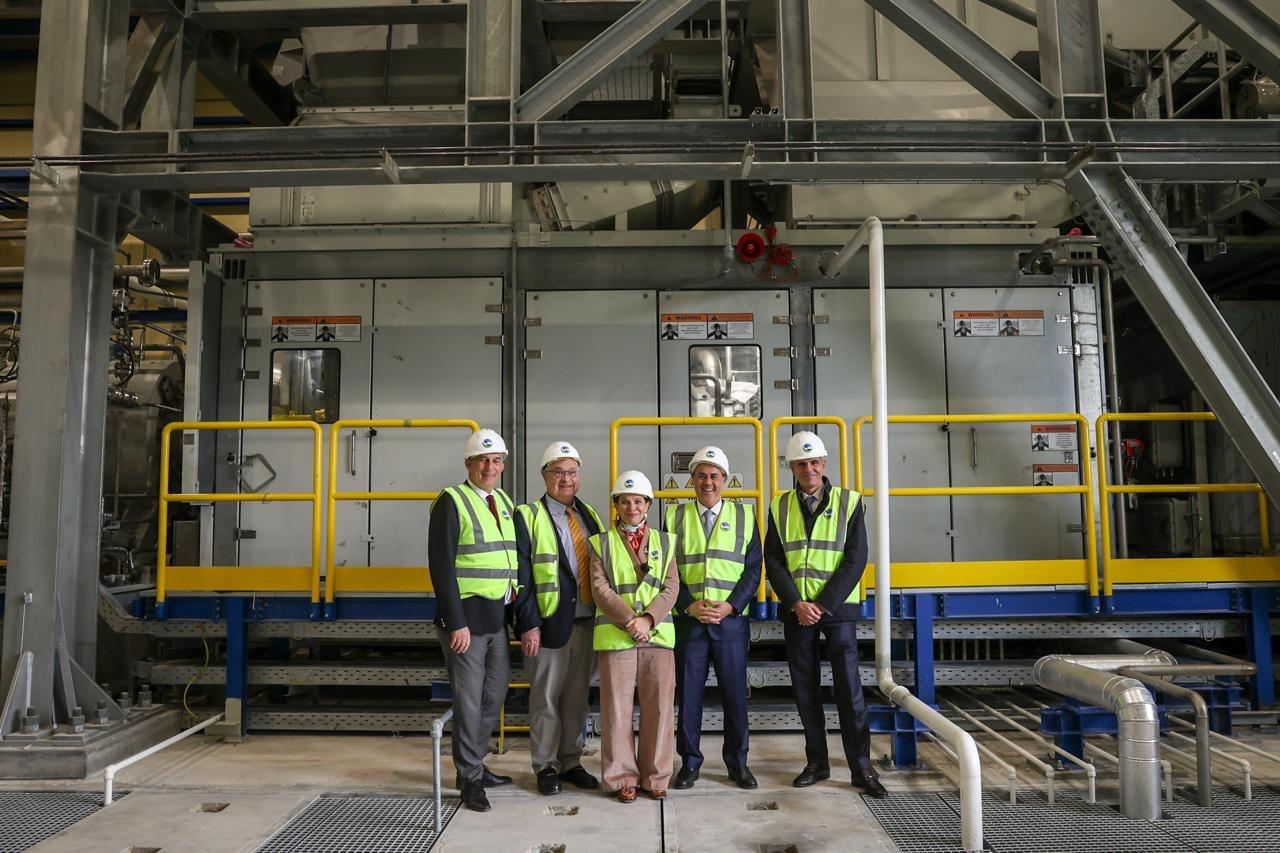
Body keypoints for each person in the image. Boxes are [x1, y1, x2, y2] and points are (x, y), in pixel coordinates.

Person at [765, 431, 886, 798]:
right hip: (797, 611)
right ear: (792, 468)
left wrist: (822, 605)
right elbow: (774, 560)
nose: (809, 469)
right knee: (806, 691)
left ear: (824, 464)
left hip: (836, 610)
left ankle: (861, 769)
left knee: (849, 691)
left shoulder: (851, 502)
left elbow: (856, 558)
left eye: (814, 462)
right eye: (801, 464)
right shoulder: (779, 505)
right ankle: (817, 764)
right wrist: (795, 603)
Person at [428, 428, 518, 813]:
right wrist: (455, 622)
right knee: (468, 701)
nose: (490, 467)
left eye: (496, 460)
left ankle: (475, 765)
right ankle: (468, 778)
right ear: (468, 463)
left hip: (496, 618)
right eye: (483, 460)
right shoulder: (452, 501)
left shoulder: (503, 501)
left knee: (494, 693)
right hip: (466, 622)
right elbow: (441, 565)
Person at [666, 446, 762, 791]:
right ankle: (689, 764)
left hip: (729, 623)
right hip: (690, 623)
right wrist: (687, 605)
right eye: (701, 476)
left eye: (714, 476)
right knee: (688, 698)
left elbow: (753, 569)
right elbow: (667, 569)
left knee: (735, 698)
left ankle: (738, 764)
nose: (708, 482)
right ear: (692, 480)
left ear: (725, 479)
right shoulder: (674, 516)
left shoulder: (745, 516)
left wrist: (732, 606)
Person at [514, 441, 605, 796]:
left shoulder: (589, 514)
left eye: (572, 472)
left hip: (586, 621)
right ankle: (546, 765)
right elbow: (521, 575)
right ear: (544, 476)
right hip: (549, 623)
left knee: (576, 699)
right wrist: (528, 623)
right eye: (558, 472)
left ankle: (570, 761)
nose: (566, 479)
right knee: (546, 699)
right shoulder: (528, 516)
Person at [589, 470, 679, 803]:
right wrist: (631, 620)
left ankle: (656, 776)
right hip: (618, 636)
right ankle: (621, 778)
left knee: (660, 708)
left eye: (638, 501)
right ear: (616, 505)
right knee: (616, 710)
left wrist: (649, 619)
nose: (631, 507)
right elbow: (599, 588)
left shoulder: (665, 542)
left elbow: (672, 586)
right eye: (625, 501)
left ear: (648, 505)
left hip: (657, 635)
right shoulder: (601, 543)